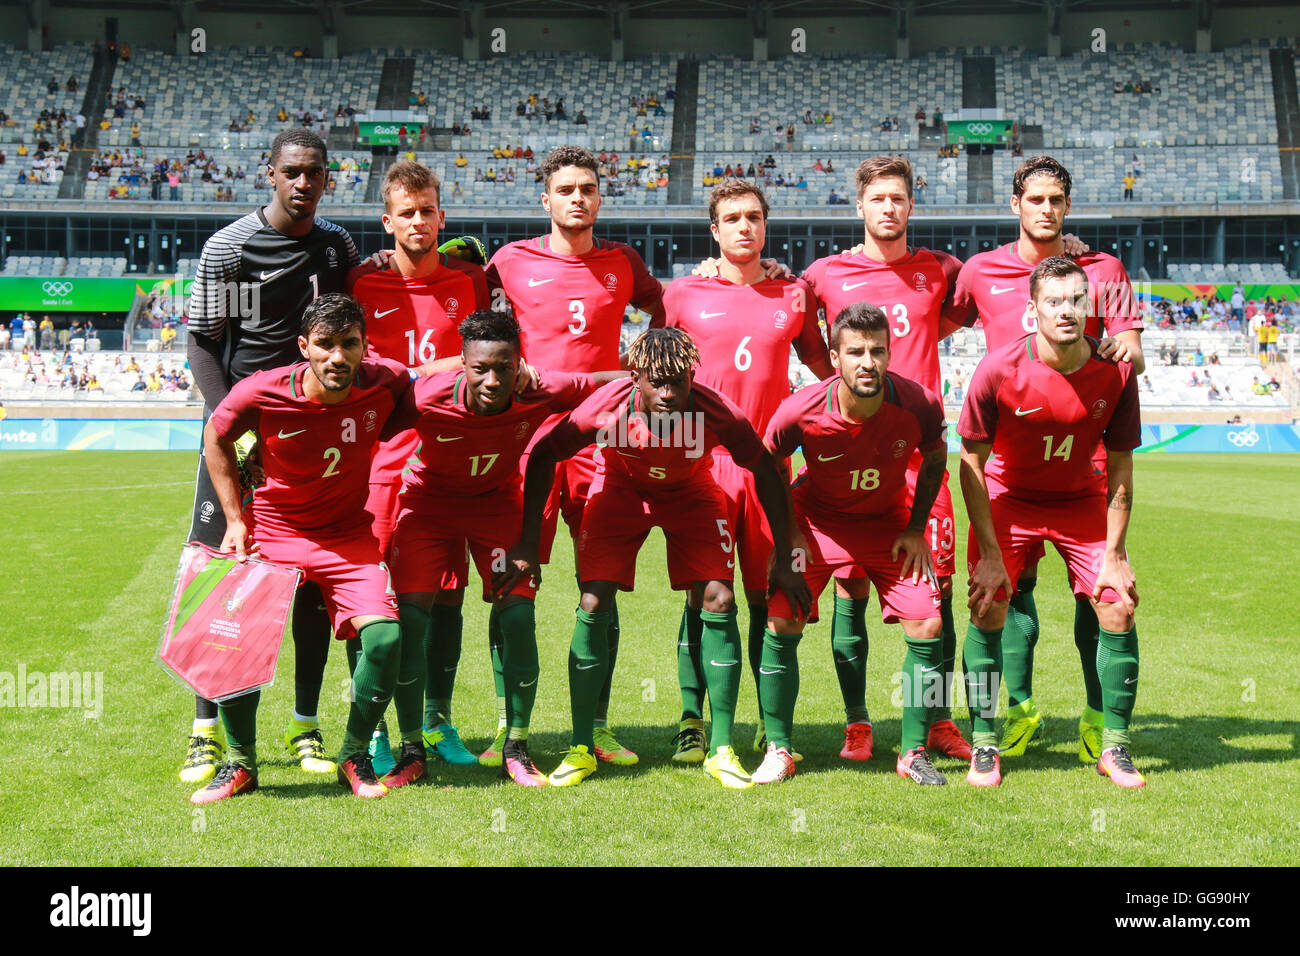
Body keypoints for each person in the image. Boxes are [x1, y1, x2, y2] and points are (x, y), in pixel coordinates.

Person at [501, 327, 810, 789]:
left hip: (691, 493)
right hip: (621, 492)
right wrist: (527, 542)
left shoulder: (714, 411)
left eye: (678, 381)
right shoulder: (607, 406)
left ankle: (722, 749)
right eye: (657, 382)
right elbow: (545, 453)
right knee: (592, 601)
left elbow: (764, 469)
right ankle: (582, 748)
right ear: (636, 378)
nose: (668, 394)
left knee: (720, 599)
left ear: (691, 378)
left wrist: (784, 553)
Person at [180, 128, 365, 787]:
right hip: (245, 435)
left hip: (312, 440)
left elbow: (347, 329)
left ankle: (305, 720)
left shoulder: (336, 247)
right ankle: (206, 730)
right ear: (271, 173)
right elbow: (204, 342)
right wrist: (233, 427)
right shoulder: (232, 250)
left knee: (313, 583)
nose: (303, 182)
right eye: (292, 171)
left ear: (327, 177)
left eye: (314, 172)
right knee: (226, 581)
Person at [952, 154, 1144, 763]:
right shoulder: (981, 270)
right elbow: (924, 316)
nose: (1047, 210)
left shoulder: (1103, 268)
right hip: (1007, 464)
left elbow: (1130, 350)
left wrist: (1119, 353)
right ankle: (1016, 712)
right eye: (1035, 200)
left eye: (1056, 200)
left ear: (1068, 205)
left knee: (1102, 596)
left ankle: (1097, 717)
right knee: (1007, 594)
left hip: (1078, 463)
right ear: (1016, 205)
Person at [484, 145, 666, 768]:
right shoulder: (511, 261)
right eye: (566, 190)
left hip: (601, 441)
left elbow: (668, 314)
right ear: (546, 199)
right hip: (529, 440)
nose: (578, 198)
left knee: (600, 586)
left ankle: (597, 724)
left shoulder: (623, 263)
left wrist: (639, 365)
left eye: (588, 188)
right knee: (514, 580)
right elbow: (468, 303)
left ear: (599, 197)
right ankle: (510, 727)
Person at [383, 310, 621, 786]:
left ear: (520, 364)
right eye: (480, 369)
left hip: (496, 506)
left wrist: (648, 368)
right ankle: (411, 748)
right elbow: (366, 412)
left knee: (516, 613)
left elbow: (603, 380)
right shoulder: (426, 395)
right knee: (409, 619)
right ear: (463, 366)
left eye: (504, 368)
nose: (492, 380)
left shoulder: (543, 388)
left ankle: (517, 744)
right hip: (428, 508)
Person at [193, 293, 411, 804]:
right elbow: (216, 436)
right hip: (273, 533)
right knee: (232, 635)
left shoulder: (387, 382)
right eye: (325, 344)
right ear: (303, 347)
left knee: (383, 639)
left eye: (350, 344)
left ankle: (353, 756)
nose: (338, 356)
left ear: (365, 347)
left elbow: (427, 378)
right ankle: (241, 763)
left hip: (347, 538)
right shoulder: (262, 391)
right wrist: (232, 519)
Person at [799, 155, 974, 762]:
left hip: (918, 455)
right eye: (878, 199)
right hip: (850, 453)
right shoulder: (824, 274)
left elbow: (974, 305)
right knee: (849, 588)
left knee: (938, 593)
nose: (889, 209)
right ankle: (857, 723)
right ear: (861, 207)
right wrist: (840, 394)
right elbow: (800, 333)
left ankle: (939, 720)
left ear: (911, 207)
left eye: (899, 198)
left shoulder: (943, 270)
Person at [663, 180, 832, 763]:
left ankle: (768, 721)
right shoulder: (683, 294)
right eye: (731, 218)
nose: (744, 227)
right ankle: (693, 717)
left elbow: (825, 369)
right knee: (703, 597)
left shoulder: (794, 293)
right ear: (714, 230)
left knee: (770, 596)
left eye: (753, 217)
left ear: (766, 225)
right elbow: (659, 379)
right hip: (703, 467)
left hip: (768, 468)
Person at [760, 302, 949, 785]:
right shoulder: (802, 408)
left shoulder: (918, 403)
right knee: (782, 616)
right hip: (818, 523)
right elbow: (769, 461)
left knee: (929, 624)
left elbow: (934, 458)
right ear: (835, 357)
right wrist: (788, 536)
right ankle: (779, 748)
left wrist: (915, 527)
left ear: (890, 353)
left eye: (878, 351)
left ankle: (912, 753)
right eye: (857, 352)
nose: (869, 362)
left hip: (886, 525)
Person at [349, 160, 492, 769]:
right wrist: (428, 372)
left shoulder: (470, 281)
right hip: (382, 459)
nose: (417, 221)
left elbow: (485, 358)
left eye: (427, 210)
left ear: (442, 216)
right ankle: (376, 727)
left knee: (447, 594)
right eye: (405, 212)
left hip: (450, 458)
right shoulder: (361, 283)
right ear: (387, 221)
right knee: (376, 599)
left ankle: (437, 719)